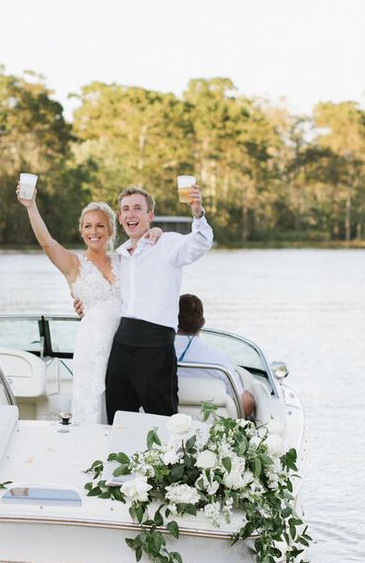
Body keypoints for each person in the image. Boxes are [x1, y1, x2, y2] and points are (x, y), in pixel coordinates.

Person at [16, 180, 160, 424]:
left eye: (100, 226)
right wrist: (31, 206)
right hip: (91, 347)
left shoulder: (125, 260)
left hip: (125, 347)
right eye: (88, 226)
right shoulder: (74, 265)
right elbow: (46, 242)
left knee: (122, 404)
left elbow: (150, 275)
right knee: (93, 401)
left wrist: (155, 232)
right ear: (81, 231)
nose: (94, 231)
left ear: (111, 231)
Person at [104, 184, 213, 423]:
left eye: (137, 209)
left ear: (149, 215)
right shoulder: (118, 256)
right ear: (121, 218)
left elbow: (201, 242)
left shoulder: (167, 244)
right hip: (121, 345)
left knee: (164, 423)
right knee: (118, 420)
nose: (131, 214)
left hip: (156, 346)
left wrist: (197, 212)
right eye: (125, 209)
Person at [175, 293, 255, 418]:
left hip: (169, 423)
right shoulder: (218, 361)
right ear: (202, 323)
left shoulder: (159, 356)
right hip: (212, 430)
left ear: (173, 320)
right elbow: (244, 406)